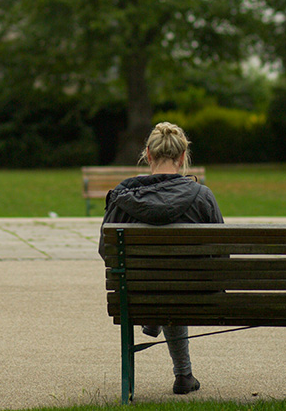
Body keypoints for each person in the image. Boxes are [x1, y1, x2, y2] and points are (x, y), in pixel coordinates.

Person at [99, 121, 223, 396]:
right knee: (175, 284)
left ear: (148, 155)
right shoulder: (203, 197)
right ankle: (183, 375)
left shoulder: (122, 198)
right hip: (194, 295)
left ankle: (157, 320)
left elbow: (106, 252)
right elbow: (221, 254)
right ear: (182, 158)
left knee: (161, 286)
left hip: (138, 294)